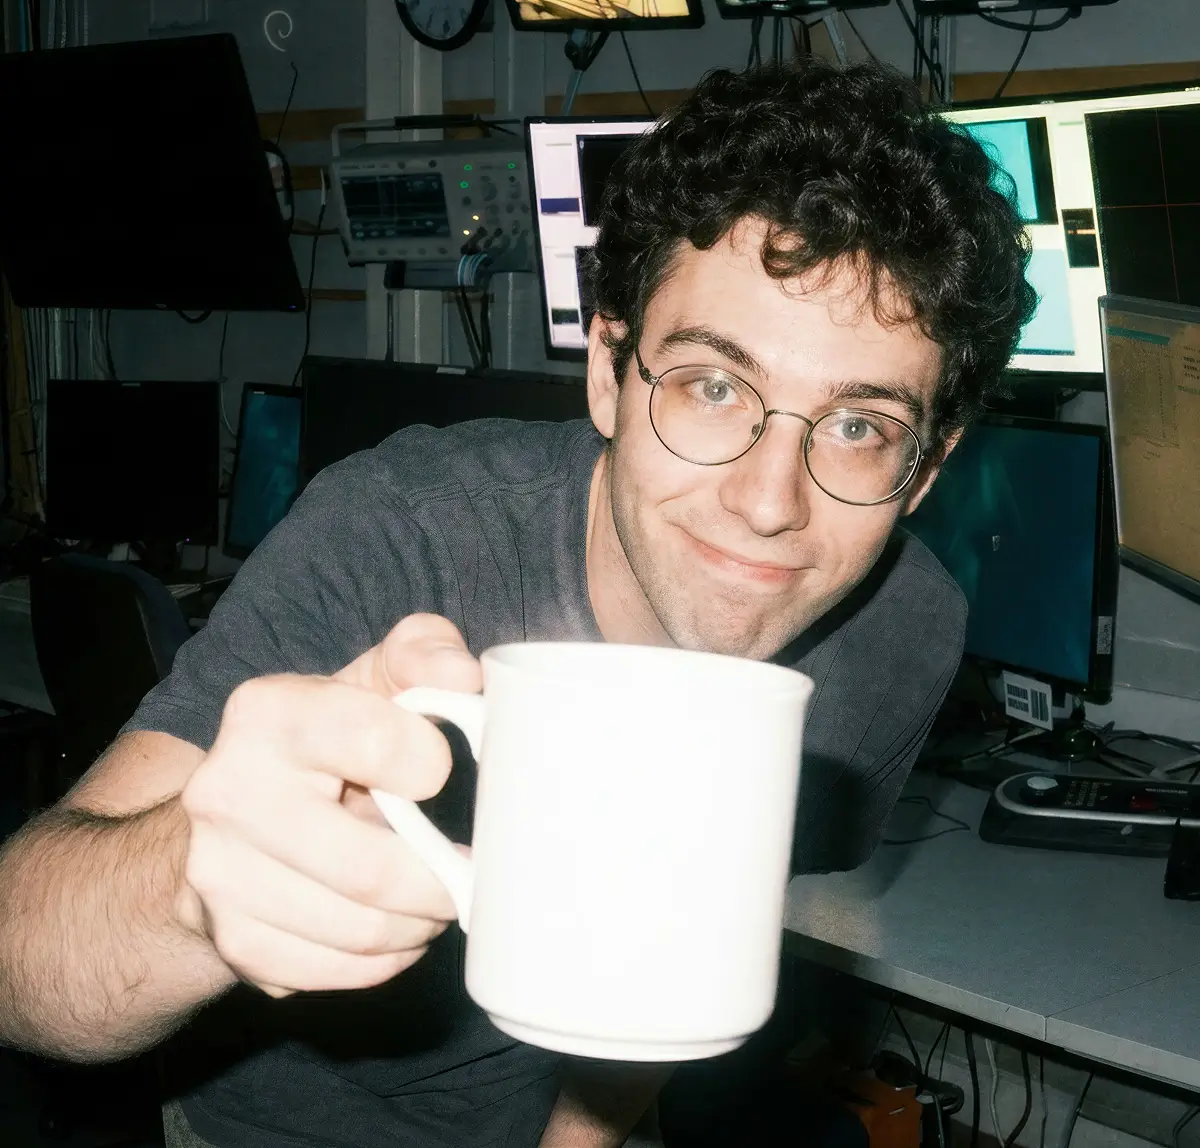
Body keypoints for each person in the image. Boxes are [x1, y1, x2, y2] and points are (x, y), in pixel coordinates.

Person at [0, 57, 1033, 1148]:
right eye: (714, 385)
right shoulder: (402, 530)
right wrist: (184, 888)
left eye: (861, 424)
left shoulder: (904, 633)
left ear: (923, 471)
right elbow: (20, 960)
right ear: (607, 371)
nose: (769, 503)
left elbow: (679, 944)